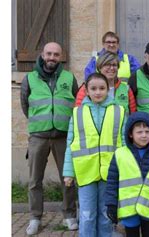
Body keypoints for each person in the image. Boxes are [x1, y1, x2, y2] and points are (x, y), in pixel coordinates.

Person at [20, 42, 78, 235]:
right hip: (39, 136)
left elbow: (76, 103)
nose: (52, 57)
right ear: (43, 55)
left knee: (68, 178)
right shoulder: (29, 79)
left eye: (56, 54)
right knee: (35, 180)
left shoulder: (69, 78)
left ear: (61, 56)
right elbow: (25, 105)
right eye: (49, 54)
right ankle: (35, 217)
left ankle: (69, 215)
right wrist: (41, 122)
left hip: (63, 135)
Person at [63, 73, 127, 237]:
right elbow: (71, 142)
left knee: (106, 214)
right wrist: (69, 172)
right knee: (87, 214)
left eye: (102, 88)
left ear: (108, 90)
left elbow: (125, 142)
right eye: (93, 88)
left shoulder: (119, 111)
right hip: (85, 172)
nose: (98, 92)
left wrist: (126, 169)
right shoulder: (77, 113)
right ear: (86, 90)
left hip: (110, 172)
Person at [104, 111, 149, 237]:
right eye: (139, 132)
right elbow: (112, 182)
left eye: (147, 132)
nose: (144, 135)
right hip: (129, 209)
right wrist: (111, 204)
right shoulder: (120, 154)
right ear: (130, 134)